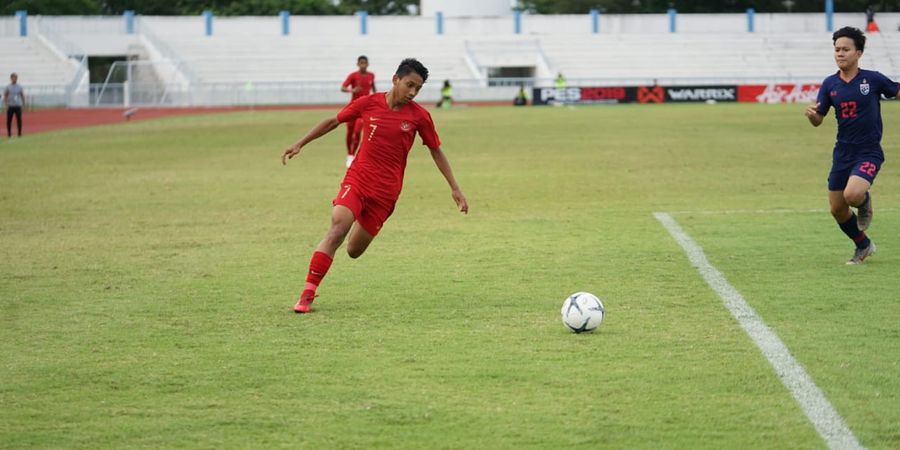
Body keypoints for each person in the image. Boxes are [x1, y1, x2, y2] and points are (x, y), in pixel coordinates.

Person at [282, 58, 468, 313]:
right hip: (358, 180)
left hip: (385, 194)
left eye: (418, 88)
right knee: (337, 228)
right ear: (395, 79)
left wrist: (454, 188)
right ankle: (307, 294)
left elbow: (436, 150)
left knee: (354, 250)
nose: (412, 92)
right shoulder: (369, 103)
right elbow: (333, 121)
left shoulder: (420, 117)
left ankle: (356, 216)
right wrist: (300, 143)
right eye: (409, 85)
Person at [804, 26, 899, 264]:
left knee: (853, 194)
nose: (840, 54)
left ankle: (864, 203)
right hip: (843, 152)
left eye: (846, 49)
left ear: (858, 53)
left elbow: (896, 91)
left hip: (868, 151)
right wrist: (812, 115)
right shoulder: (829, 84)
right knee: (837, 208)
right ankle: (863, 245)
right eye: (837, 49)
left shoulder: (873, 79)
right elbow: (819, 119)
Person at [341, 55, 376, 167]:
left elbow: (373, 88)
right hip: (352, 108)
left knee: (357, 132)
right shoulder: (353, 76)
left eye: (365, 63)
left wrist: (376, 98)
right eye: (361, 63)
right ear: (358, 64)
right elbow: (343, 87)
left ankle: (352, 155)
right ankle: (349, 154)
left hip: (364, 110)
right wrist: (352, 90)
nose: (363, 65)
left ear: (367, 64)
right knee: (350, 133)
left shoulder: (371, 75)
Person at [4, 73, 25, 138]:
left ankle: (19, 133)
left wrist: (23, 104)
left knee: (19, 120)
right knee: (9, 120)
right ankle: (9, 134)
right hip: (10, 106)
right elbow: (6, 95)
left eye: (15, 77)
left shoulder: (19, 87)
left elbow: (22, 95)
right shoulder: (8, 87)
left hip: (18, 105)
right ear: (11, 78)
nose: (14, 79)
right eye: (13, 77)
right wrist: (6, 104)